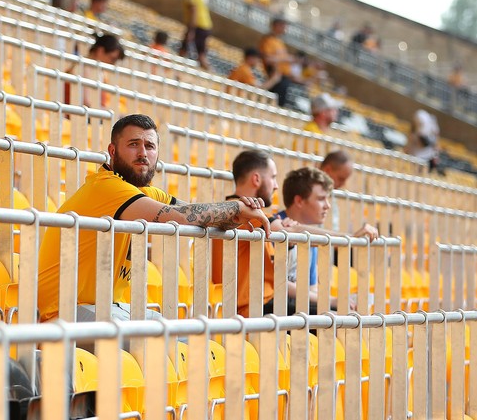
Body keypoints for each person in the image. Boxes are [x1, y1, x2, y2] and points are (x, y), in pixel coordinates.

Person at [36, 115, 270, 323]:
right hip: (65, 313)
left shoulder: (145, 193)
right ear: (113, 150)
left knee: (183, 341)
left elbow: (198, 214)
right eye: (133, 144)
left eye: (149, 146)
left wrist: (238, 215)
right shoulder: (106, 187)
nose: (142, 153)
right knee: (156, 346)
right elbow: (182, 217)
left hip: (106, 309)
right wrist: (237, 206)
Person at [275, 167, 359, 312]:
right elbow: (275, 283)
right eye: (321, 199)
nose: (327, 205)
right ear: (299, 201)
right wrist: (331, 301)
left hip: (296, 308)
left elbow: (311, 289)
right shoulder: (275, 228)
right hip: (272, 310)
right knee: (340, 319)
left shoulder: (312, 237)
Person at [210, 150, 280, 317]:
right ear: (256, 179)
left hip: (260, 303)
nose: (276, 185)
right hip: (252, 308)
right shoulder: (245, 211)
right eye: (273, 177)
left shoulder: (232, 208)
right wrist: (347, 238)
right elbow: (288, 233)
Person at [64, 34, 125, 110]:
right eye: (112, 59)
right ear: (100, 51)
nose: (112, 64)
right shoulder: (82, 68)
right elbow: (85, 103)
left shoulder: (99, 72)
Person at [258, 18, 301, 108]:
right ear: (276, 26)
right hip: (275, 76)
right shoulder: (268, 40)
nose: (285, 28)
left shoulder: (279, 41)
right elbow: (268, 59)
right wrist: (285, 58)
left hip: (284, 77)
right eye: (282, 25)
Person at [177, 0, 212, 70]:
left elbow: (194, 11)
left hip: (198, 25)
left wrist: (191, 30)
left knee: (200, 55)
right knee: (185, 49)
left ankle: (209, 74)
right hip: (202, 25)